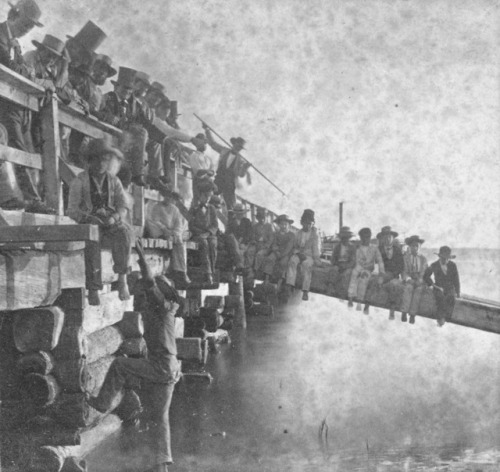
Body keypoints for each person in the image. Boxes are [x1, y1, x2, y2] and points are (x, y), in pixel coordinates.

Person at [88, 239, 181, 472]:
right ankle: (161, 466)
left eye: (143, 294)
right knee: (159, 419)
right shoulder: (167, 308)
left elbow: (150, 282)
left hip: (161, 367)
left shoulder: (161, 308)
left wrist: (140, 254)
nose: (140, 296)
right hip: (169, 369)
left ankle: (100, 404)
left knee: (119, 364)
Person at [0, 0, 55, 213]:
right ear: (14, 14)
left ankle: (23, 197)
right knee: (18, 148)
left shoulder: (13, 41)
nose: (26, 30)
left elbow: (21, 66)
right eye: (25, 25)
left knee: (27, 151)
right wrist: (35, 78)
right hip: (3, 104)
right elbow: (11, 66)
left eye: (30, 27)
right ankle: (31, 200)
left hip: (17, 105)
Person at [67, 138, 132, 305]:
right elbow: (71, 210)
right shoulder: (80, 181)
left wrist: (114, 217)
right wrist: (87, 217)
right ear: (90, 160)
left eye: (104, 159)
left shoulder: (114, 181)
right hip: (90, 223)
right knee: (92, 239)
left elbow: (123, 206)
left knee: (124, 232)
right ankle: (93, 288)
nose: (101, 163)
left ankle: (122, 280)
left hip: (109, 223)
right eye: (96, 159)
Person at [145, 188, 190, 286]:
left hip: (171, 233)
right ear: (164, 196)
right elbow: (155, 221)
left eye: (170, 197)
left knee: (180, 244)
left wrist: (175, 233)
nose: (168, 199)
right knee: (151, 224)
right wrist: (165, 230)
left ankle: (181, 271)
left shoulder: (175, 209)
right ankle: (175, 271)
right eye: (167, 196)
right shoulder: (157, 207)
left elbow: (179, 224)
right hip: (160, 231)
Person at [203, 123, 250, 210]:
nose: (238, 148)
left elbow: (241, 174)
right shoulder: (224, 151)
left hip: (230, 184)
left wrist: (245, 168)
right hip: (219, 179)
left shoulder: (241, 161)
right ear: (233, 144)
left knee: (231, 206)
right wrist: (207, 130)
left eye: (240, 148)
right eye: (237, 146)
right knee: (211, 200)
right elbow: (213, 144)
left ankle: (230, 220)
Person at [285, 209, 321, 301]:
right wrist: (298, 253)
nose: (308, 225)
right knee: (292, 261)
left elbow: (316, 249)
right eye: (306, 223)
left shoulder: (314, 235)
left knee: (307, 265)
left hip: (309, 256)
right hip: (299, 254)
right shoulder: (298, 233)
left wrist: (316, 260)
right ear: (302, 223)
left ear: (312, 224)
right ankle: (289, 285)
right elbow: (294, 246)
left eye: (310, 223)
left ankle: (305, 290)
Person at [348, 227, 385, 314]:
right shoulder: (358, 248)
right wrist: (360, 270)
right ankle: (350, 297)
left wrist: (381, 272)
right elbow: (357, 260)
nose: (366, 239)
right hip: (359, 267)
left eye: (368, 237)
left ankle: (359, 301)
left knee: (363, 279)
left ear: (370, 237)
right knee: (354, 274)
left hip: (368, 268)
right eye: (363, 237)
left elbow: (380, 261)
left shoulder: (374, 248)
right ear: (360, 238)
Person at [188, 180, 218, 284]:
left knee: (213, 244)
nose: (207, 199)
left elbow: (215, 225)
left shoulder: (212, 208)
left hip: (209, 235)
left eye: (209, 197)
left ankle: (212, 271)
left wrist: (208, 233)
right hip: (198, 235)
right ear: (200, 195)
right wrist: (200, 233)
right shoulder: (194, 209)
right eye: (205, 196)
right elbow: (191, 225)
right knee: (204, 244)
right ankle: (207, 273)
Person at [424, 245, 460, 327]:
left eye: (447, 258)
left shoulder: (453, 265)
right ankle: (440, 318)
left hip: (449, 288)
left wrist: (458, 293)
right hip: (438, 287)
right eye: (443, 258)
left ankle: (447, 317)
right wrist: (432, 284)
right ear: (440, 257)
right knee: (440, 297)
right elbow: (426, 276)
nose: (445, 260)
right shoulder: (434, 265)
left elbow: (456, 280)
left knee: (451, 297)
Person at [372, 226, 404, 319]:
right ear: (382, 239)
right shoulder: (379, 249)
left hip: (394, 275)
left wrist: (393, 274)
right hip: (382, 274)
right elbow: (375, 263)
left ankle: (392, 309)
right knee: (375, 283)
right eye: (385, 237)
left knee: (394, 285)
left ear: (393, 238)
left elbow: (401, 266)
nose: (387, 239)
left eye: (389, 237)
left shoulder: (397, 250)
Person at [400, 235, 428, 324]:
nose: (415, 248)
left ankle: (412, 314)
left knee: (418, 291)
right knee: (408, 288)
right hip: (410, 279)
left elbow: (424, 271)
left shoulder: (423, 259)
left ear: (419, 247)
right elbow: (404, 271)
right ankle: (404, 312)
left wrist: (420, 279)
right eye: (413, 246)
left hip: (419, 280)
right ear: (410, 247)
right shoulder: (406, 258)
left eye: (417, 246)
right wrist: (408, 279)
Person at [262, 214, 295, 289]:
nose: (283, 226)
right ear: (279, 225)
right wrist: (276, 251)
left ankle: (280, 281)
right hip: (276, 252)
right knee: (270, 259)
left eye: (285, 224)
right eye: (281, 224)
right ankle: (266, 279)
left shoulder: (291, 235)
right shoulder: (276, 234)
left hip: (286, 254)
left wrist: (282, 255)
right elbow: (274, 244)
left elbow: (289, 247)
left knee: (283, 263)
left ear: (288, 225)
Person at [327, 226, 356, 296]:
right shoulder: (337, 247)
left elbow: (353, 261)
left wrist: (346, 266)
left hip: (348, 267)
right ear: (341, 238)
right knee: (333, 271)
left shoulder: (352, 247)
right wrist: (337, 264)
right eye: (343, 237)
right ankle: (331, 289)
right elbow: (333, 259)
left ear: (349, 238)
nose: (345, 239)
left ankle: (342, 294)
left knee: (346, 275)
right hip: (338, 265)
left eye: (346, 237)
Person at [224, 203, 252, 273]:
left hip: (244, 244)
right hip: (233, 244)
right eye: (238, 213)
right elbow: (227, 233)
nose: (240, 215)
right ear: (235, 214)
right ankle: (240, 265)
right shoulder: (231, 222)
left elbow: (249, 234)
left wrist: (243, 242)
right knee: (232, 238)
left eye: (241, 213)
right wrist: (236, 241)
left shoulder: (247, 221)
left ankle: (240, 266)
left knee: (242, 250)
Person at [247, 207, 274, 275]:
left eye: (263, 218)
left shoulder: (269, 226)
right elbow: (253, 237)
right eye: (260, 218)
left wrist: (266, 245)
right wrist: (254, 241)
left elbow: (271, 239)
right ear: (257, 218)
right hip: (257, 244)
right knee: (249, 251)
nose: (261, 220)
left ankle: (255, 270)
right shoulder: (255, 226)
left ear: (266, 217)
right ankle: (249, 268)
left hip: (266, 247)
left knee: (259, 254)